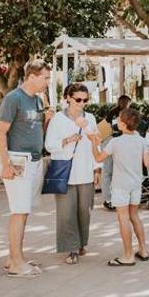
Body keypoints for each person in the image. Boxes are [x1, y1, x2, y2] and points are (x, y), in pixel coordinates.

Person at [0, 59, 52, 278]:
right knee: (18, 211)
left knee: (24, 210)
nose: (47, 82)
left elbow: (37, 132)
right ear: (32, 76)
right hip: (18, 162)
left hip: (34, 161)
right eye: (45, 77)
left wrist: (46, 120)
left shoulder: (37, 100)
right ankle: (16, 263)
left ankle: (14, 258)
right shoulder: (13, 99)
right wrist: (6, 164)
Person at [90, 108, 149, 266]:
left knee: (123, 218)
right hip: (136, 185)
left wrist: (93, 143)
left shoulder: (115, 142)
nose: (116, 120)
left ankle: (128, 255)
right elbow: (148, 163)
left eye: (118, 119)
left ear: (123, 124)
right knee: (134, 216)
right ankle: (143, 250)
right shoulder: (141, 141)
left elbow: (98, 157)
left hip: (120, 186)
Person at [45, 84, 98, 265]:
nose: (82, 103)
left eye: (85, 100)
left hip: (86, 170)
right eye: (78, 99)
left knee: (85, 211)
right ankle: (72, 248)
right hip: (64, 171)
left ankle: (82, 243)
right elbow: (48, 145)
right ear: (68, 97)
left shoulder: (90, 118)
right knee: (66, 213)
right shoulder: (58, 119)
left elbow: (96, 144)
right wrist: (68, 140)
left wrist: (97, 168)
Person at [101, 95, 149, 210]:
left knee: (109, 172)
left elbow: (104, 130)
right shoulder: (132, 119)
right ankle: (127, 198)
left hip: (112, 146)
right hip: (128, 151)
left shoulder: (111, 114)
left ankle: (109, 199)